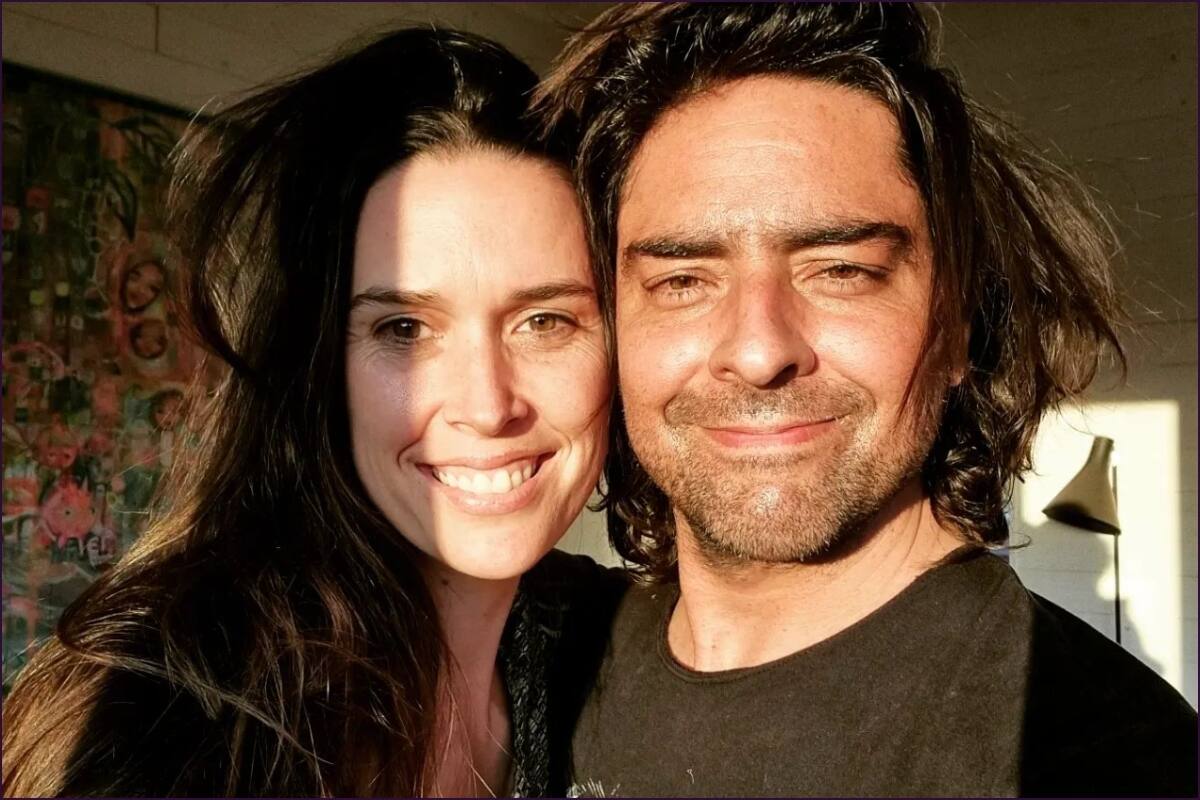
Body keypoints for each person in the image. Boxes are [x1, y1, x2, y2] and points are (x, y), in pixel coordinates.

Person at [534, 3, 1198, 796]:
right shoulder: (540, 664)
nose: (759, 352)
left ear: (955, 323)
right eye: (682, 280)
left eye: (841, 270)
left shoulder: (1108, 757)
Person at [3, 27, 612, 797]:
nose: (488, 407)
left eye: (545, 321)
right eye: (404, 329)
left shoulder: (609, 644)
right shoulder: (168, 721)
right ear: (317, 365)